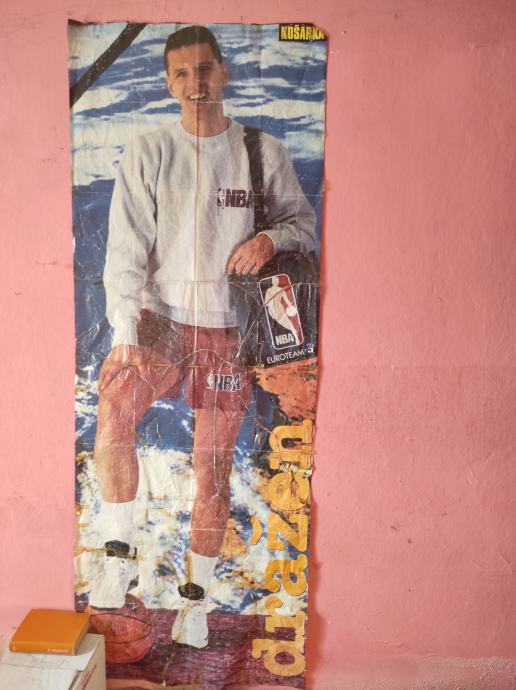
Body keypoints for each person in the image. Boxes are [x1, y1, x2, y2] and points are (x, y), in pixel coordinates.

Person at [88, 24, 316, 649]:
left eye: (205, 69)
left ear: (225, 73)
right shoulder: (149, 150)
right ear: (169, 83)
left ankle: (194, 604)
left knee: (212, 472)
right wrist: (125, 333)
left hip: (227, 330)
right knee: (113, 409)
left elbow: (303, 226)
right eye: (183, 73)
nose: (196, 83)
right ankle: (117, 556)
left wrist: (269, 238)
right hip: (161, 320)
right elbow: (124, 250)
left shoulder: (262, 150)